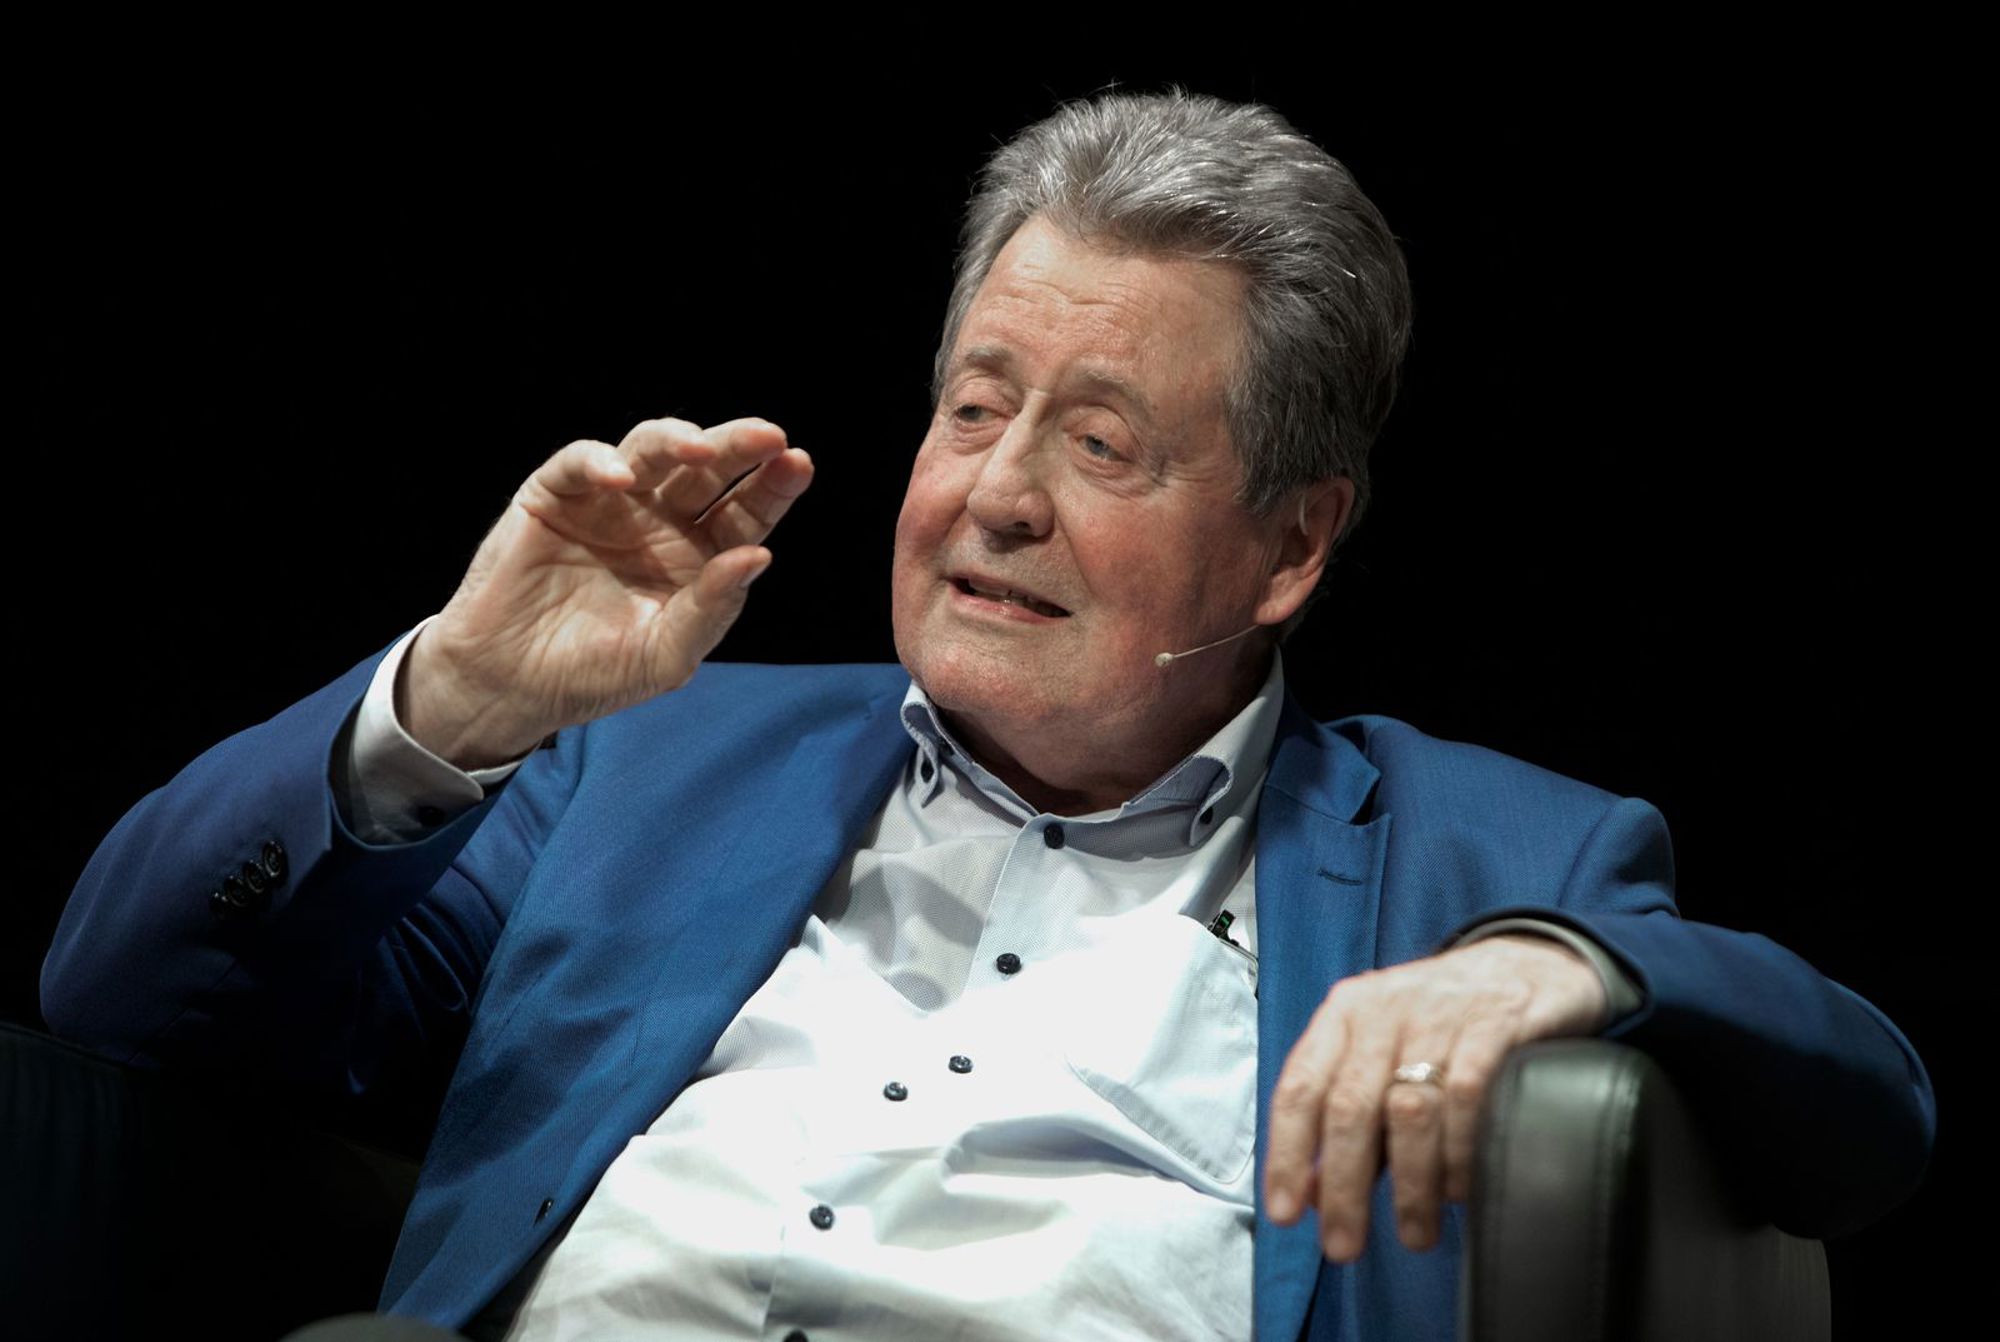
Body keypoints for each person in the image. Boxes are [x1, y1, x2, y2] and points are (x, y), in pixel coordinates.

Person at [43, 91, 1932, 1342]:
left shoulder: (1478, 856)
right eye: (972, 407)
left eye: (1100, 442)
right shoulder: (656, 763)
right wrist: (456, 696)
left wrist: (1551, 963)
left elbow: (1866, 1119)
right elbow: (124, 995)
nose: (997, 494)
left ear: (1291, 543)